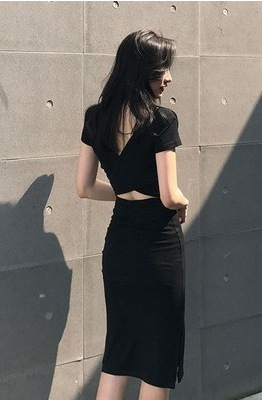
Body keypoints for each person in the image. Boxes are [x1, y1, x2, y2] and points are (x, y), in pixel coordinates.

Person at [76, 29, 189, 400]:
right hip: (159, 248)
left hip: (120, 246)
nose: (168, 78)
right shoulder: (162, 121)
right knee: (158, 356)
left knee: (119, 352)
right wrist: (182, 201)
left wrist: (127, 194)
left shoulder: (96, 118)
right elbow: (170, 195)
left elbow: (84, 187)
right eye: (161, 70)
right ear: (142, 71)